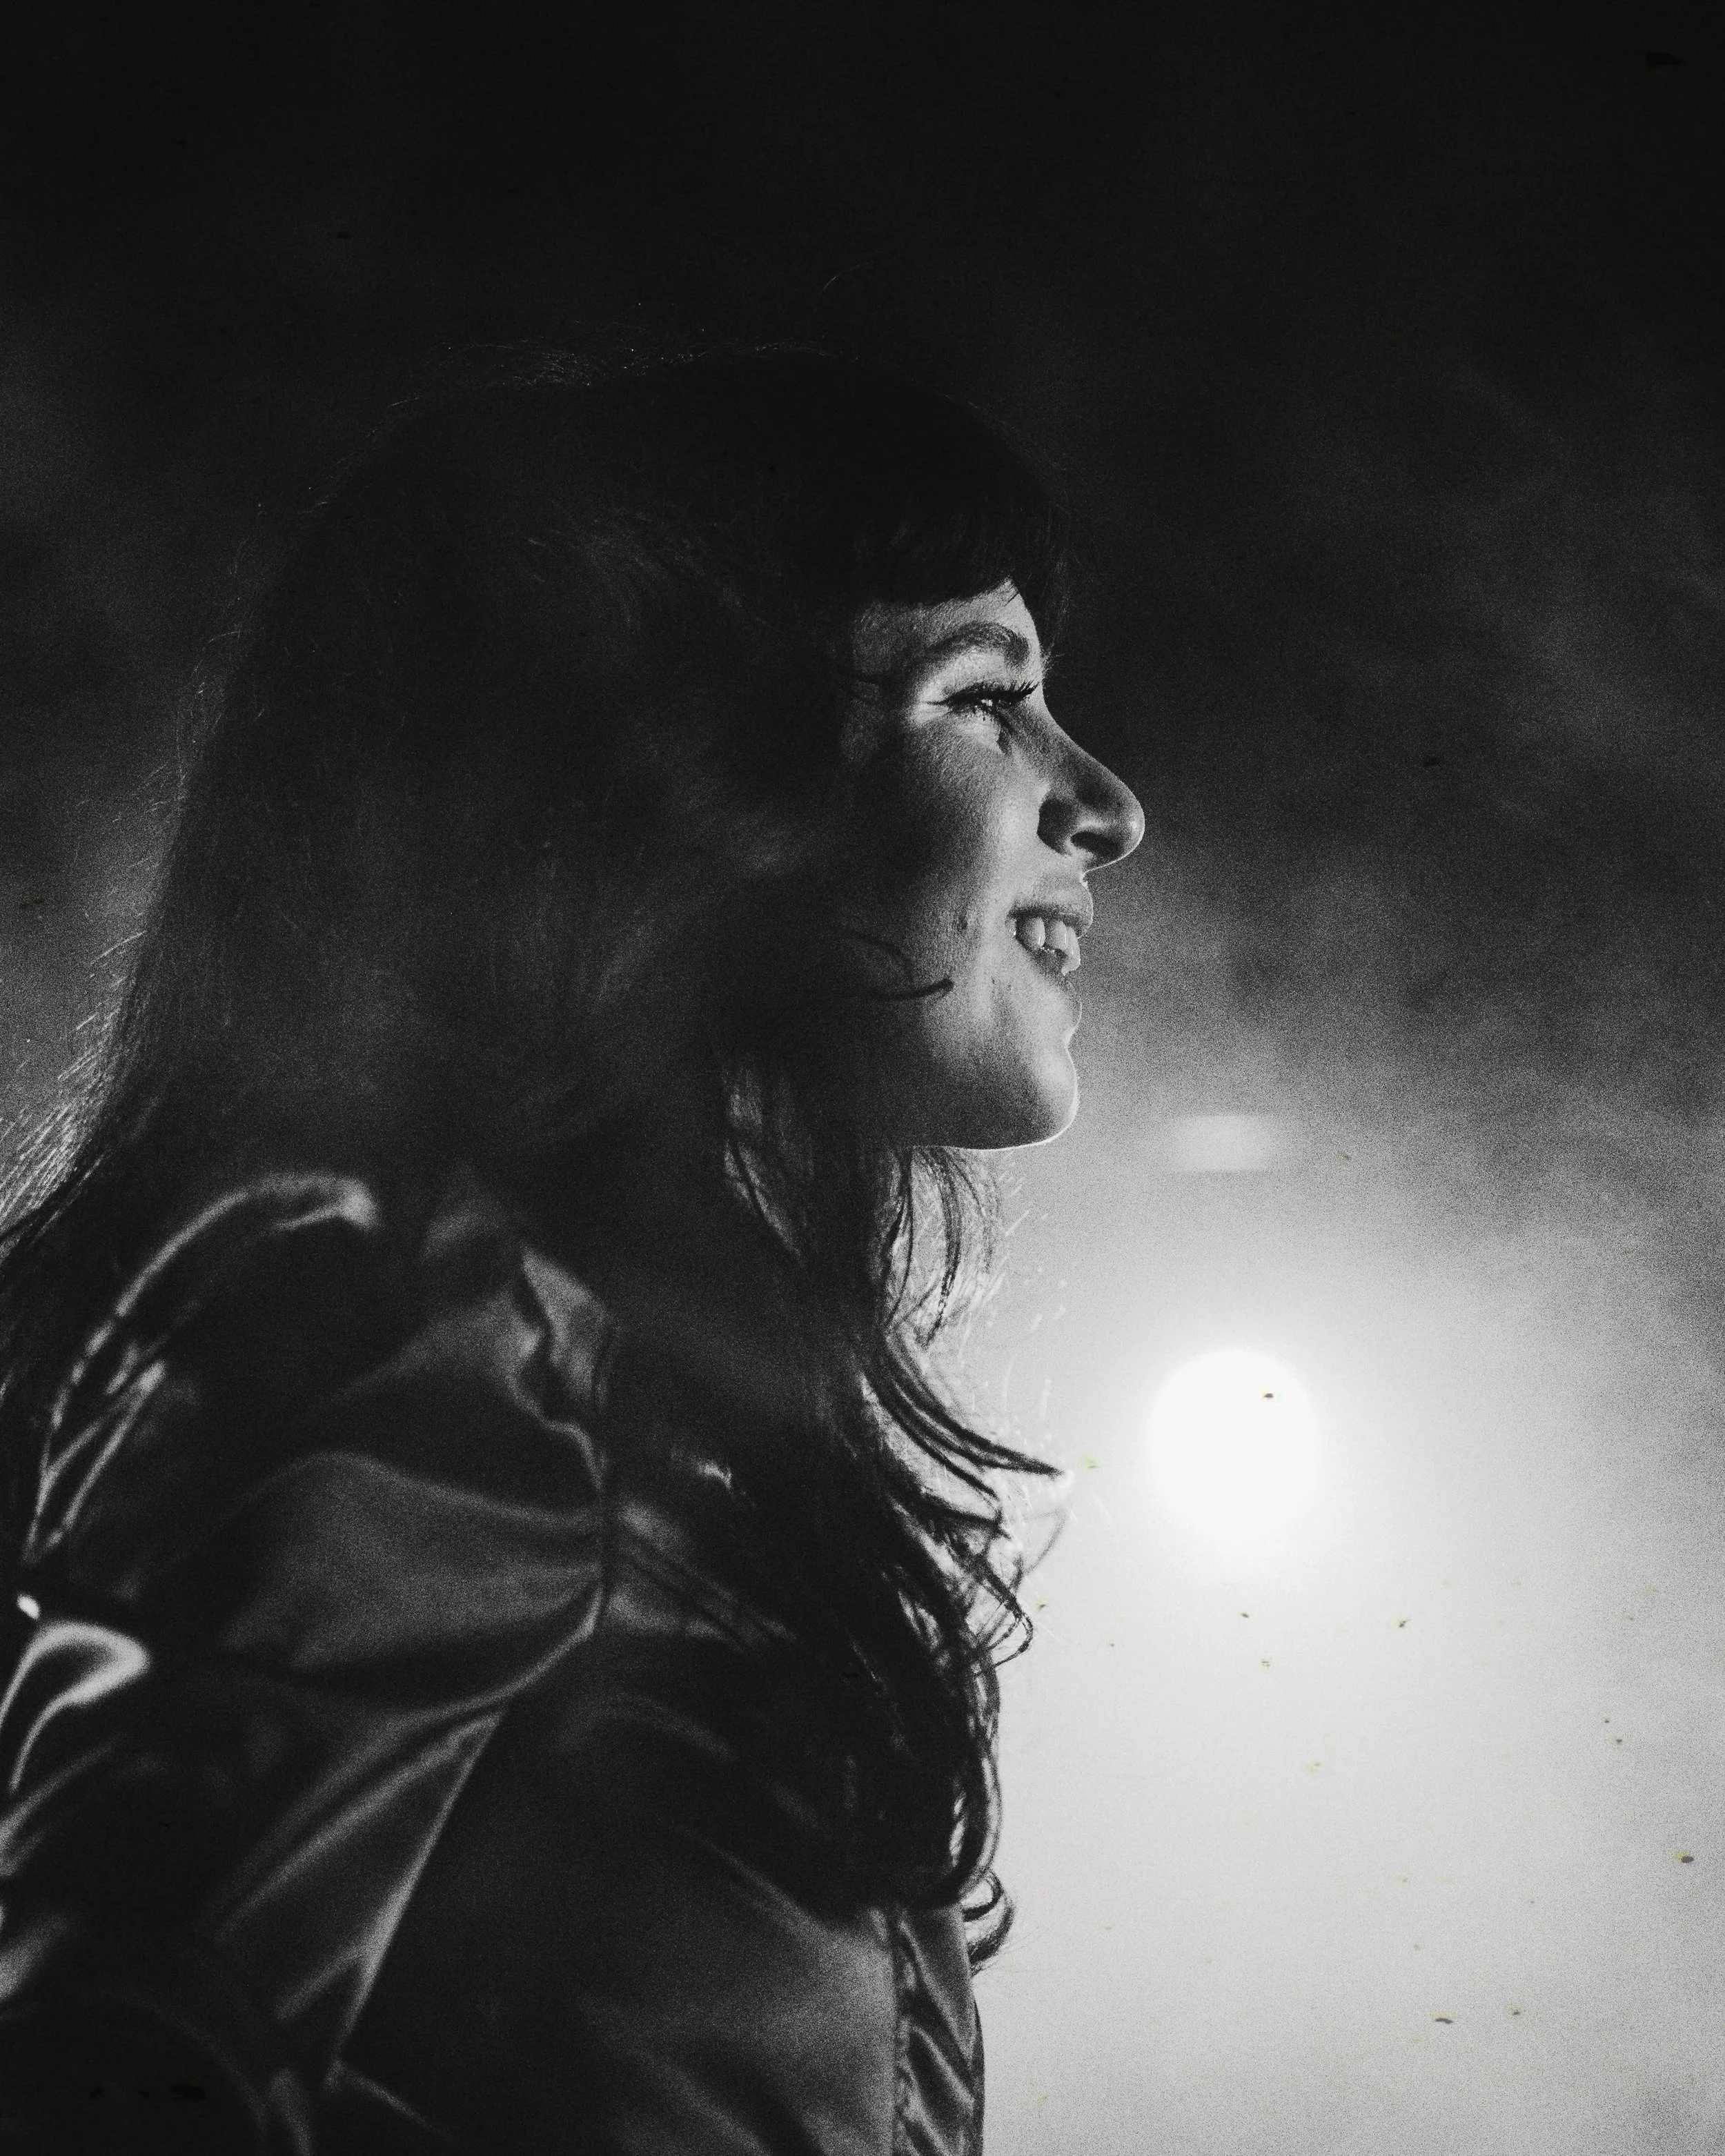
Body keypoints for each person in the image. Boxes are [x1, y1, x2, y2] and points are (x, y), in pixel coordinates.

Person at [0, 345, 1143, 2153]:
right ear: (684, 772)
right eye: (986, 699)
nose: (1102, 802)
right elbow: (119, 2074)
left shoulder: (630, 1395)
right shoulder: (376, 1311)